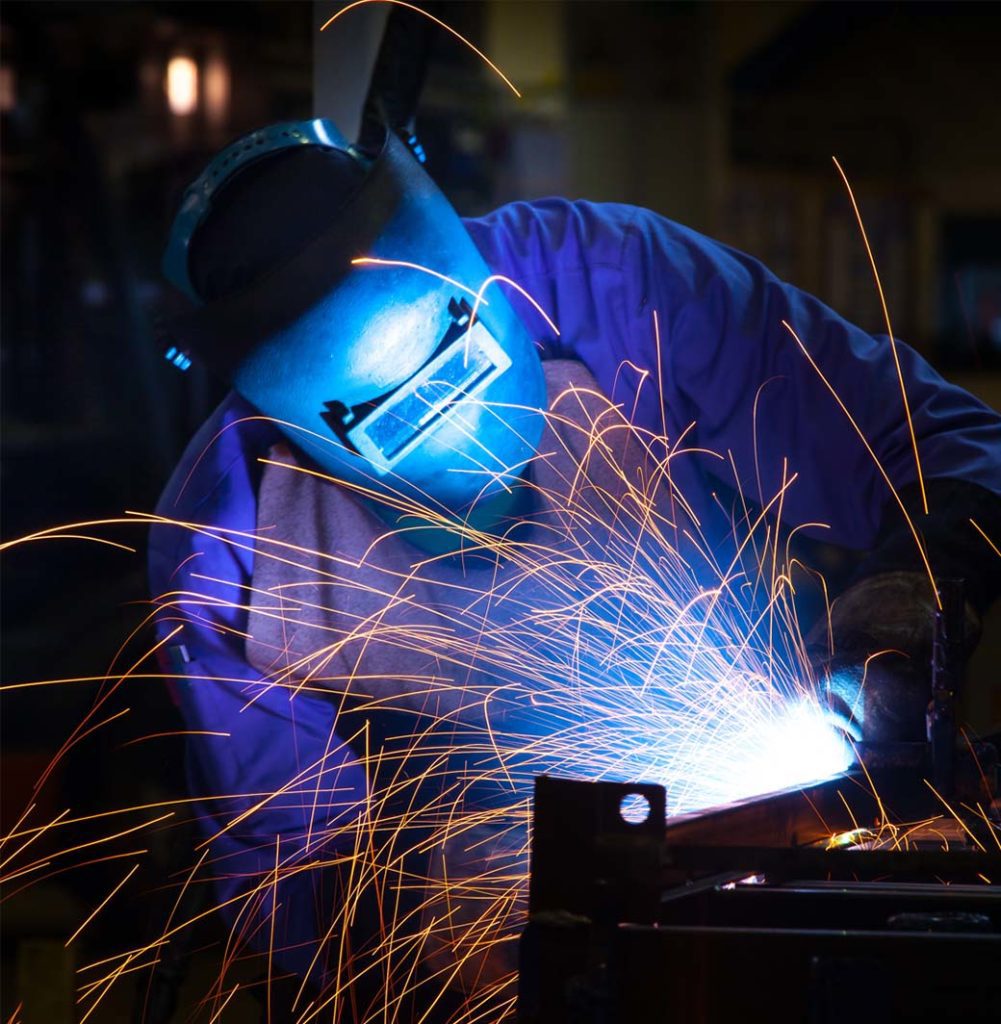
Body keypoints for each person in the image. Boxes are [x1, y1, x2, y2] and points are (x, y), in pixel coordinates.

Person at [149, 118, 1001, 1012]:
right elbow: (288, 875)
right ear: (319, 427)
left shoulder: (620, 289)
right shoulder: (223, 549)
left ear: (471, 283)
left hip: (790, 831)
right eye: (403, 418)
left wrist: (902, 600)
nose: (465, 426)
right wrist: (427, 909)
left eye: (465, 360)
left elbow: (958, 449)